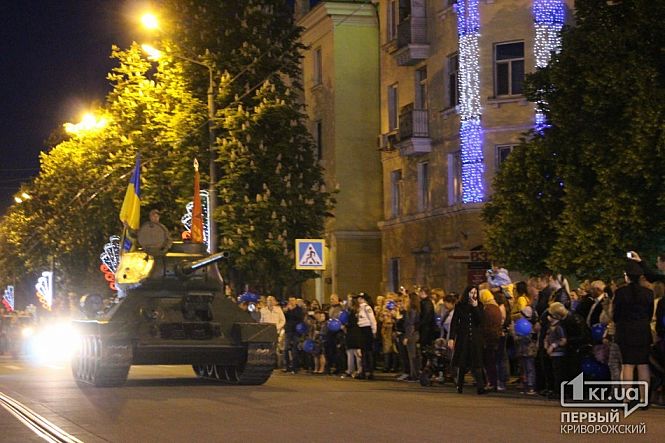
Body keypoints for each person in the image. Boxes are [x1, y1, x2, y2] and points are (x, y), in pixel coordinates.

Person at [613, 260, 654, 404]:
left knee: (627, 365)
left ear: (627, 276)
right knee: (643, 365)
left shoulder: (620, 293)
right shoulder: (648, 293)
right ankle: (643, 399)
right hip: (642, 331)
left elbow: (616, 314)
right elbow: (650, 314)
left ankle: (627, 398)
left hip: (625, 331)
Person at [449, 286, 486, 394]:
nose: (473, 295)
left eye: (475, 293)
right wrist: (451, 338)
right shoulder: (460, 306)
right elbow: (454, 322)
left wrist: (475, 307)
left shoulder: (479, 305)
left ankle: (480, 387)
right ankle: (459, 385)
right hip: (463, 338)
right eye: (471, 292)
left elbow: (480, 321)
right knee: (462, 362)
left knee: (477, 363)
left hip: (475, 338)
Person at [479, 289, 502, 391]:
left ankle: (491, 383)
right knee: (492, 361)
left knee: (489, 361)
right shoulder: (496, 307)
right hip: (495, 336)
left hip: (488, 338)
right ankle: (493, 382)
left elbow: (484, 324)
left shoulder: (488, 309)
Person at [356, 292, 377, 380]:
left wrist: (374, 330)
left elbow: (372, 319)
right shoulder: (360, 308)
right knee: (363, 352)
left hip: (367, 329)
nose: (358, 300)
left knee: (368, 351)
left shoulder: (367, 308)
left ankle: (370, 372)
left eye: (360, 298)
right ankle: (364, 371)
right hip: (361, 329)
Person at [283, 296, 304, 374]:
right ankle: (286, 366)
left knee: (295, 349)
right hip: (288, 331)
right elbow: (285, 318)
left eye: (293, 300)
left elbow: (299, 317)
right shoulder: (287, 309)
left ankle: (295, 367)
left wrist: (291, 310)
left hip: (296, 331)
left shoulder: (299, 309)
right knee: (285, 348)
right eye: (290, 300)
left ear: (295, 301)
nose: (291, 302)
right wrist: (286, 311)